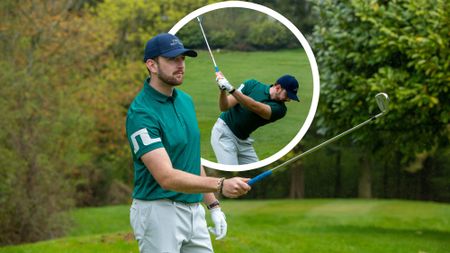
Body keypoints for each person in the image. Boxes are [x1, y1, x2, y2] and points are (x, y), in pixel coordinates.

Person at [126, 33, 251, 253]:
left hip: (194, 211)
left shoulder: (186, 101)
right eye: (173, 59)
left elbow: (191, 159)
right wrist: (221, 185)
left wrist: (213, 205)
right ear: (152, 65)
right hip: (157, 211)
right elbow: (166, 177)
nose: (181, 65)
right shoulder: (141, 113)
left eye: (183, 59)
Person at [211, 72, 300, 165]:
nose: (288, 99)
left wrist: (231, 89)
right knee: (230, 171)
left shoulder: (280, 110)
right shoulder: (251, 85)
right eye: (287, 95)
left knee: (257, 172)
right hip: (224, 133)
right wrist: (223, 90)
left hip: (243, 141)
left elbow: (254, 106)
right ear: (278, 88)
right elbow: (224, 107)